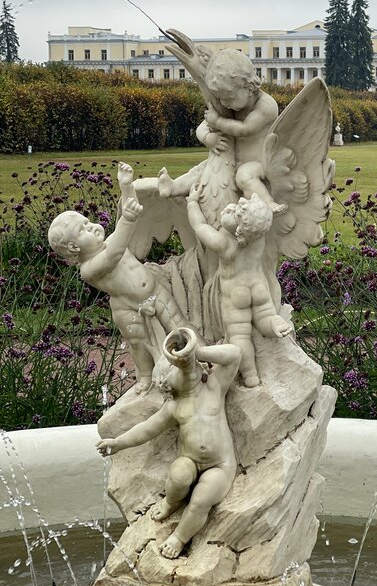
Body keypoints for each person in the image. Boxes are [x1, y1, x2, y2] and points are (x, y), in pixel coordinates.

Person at [97, 328, 241, 559]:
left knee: (201, 500)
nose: (186, 369)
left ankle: (179, 538)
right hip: (190, 460)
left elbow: (234, 354)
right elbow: (146, 430)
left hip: (220, 465)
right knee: (178, 476)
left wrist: (198, 352)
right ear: (167, 384)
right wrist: (117, 443)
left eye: (191, 365)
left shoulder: (214, 387)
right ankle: (171, 502)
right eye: (176, 369)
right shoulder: (174, 407)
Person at [48, 163, 188, 393]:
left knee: (179, 325)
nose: (92, 227)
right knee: (139, 342)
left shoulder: (112, 240)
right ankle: (146, 377)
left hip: (155, 291)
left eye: (87, 222)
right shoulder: (89, 268)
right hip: (129, 308)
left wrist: (126, 186)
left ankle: (200, 356)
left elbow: (131, 209)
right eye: (83, 230)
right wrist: (127, 220)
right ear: (73, 248)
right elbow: (114, 254)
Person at [186, 187, 293, 387]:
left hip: (236, 294)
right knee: (264, 315)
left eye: (233, 212)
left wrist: (192, 202)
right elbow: (259, 217)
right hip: (258, 287)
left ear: (238, 230)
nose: (230, 207)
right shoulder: (258, 236)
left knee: (239, 334)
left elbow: (199, 225)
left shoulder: (223, 243)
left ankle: (250, 374)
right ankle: (273, 323)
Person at [157, 48, 286, 214]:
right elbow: (202, 127)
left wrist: (217, 121)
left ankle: (268, 203)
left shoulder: (266, 106)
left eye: (228, 98)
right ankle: (173, 187)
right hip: (234, 160)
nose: (224, 104)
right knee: (202, 170)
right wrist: (208, 138)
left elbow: (244, 129)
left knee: (244, 176)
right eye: (221, 99)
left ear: (248, 87)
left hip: (260, 163)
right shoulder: (234, 106)